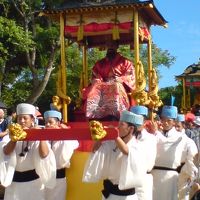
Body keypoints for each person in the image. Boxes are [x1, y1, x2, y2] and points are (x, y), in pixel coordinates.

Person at [83, 110, 147, 200]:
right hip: (109, 194)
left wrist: (114, 135)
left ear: (131, 129)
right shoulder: (112, 142)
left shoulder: (138, 146)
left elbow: (126, 151)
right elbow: (95, 150)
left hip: (126, 197)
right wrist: (101, 137)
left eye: (122, 124)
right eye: (118, 124)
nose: (118, 127)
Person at [0, 103, 56, 200]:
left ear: (32, 120)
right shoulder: (10, 135)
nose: (22, 121)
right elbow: (5, 152)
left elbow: (44, 155)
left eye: (25, 118)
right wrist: (14, 139)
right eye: (19, 118)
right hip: (14, 184)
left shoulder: (38, 133)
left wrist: (40, 136)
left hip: (34, 184)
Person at [83, 41, 135, 120]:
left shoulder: (126, 62)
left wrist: (120, 79)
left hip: (119, 84)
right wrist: (98, 80)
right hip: (103, 84)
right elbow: (95, 75)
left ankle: (116, 114)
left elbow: (130, 76)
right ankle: (94, 115)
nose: (110, 47)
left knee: (116, 86)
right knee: (95, 87)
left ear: (117, 46)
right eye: (108, 45)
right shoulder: (100, 63)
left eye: (112, 45)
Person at [152, 105, 190, 200]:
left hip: (170, 177)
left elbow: (165, 143)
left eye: (169, 120)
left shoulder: (180, 136)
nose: (165, 123)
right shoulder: (156, 134)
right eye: (163, 119)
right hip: (154, 175)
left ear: (174, 122)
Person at [43, 110, 79, 200]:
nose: (47, 125)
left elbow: (75, 143)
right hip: (42, 177)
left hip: (59, 178)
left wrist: (66, 131)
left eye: (50, 122)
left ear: (58, 123)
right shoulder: (43, 137)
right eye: (46, 122)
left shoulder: (65, 138)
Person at [130, 105, 157, 200]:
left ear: (145, 121)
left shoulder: (151, 138)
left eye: (139, 119)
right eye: (133, 119)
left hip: (143, 180)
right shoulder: (125, 137)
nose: (136, 122)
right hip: (128, 180)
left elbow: (148, 163)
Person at [175, 114, 198, 200]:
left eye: (178, 126)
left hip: (183, 175)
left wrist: (191, 176)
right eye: (174, 126)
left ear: (183, 125)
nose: (176, 129)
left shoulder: (189, 142)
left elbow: (192, 160)